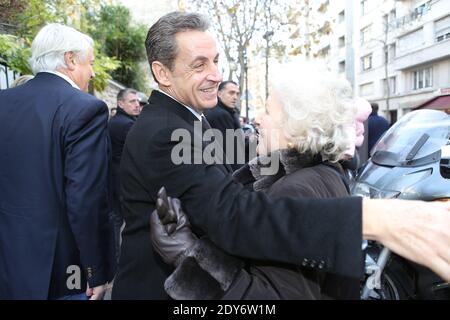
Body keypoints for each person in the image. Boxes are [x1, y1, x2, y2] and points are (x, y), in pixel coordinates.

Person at [111, 11, 450, 300]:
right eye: (199, 65)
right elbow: (236, 216)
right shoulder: (167, 131)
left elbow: (232, 161)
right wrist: (376, 218)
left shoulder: (185, 121)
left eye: (215, 61)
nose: (215, 74)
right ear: (163, 73)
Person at [150, 61, 362, 299]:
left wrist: (186, 252)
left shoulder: (295, 190)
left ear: (295, 129)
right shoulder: (325, 173)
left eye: (269, 111)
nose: (258, 119)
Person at [0, 23, 115, 300]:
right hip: (61, 271)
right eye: (91, 62)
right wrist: (95, 271)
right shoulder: (85, 108)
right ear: (70, 59)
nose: (93, 72)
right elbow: (85, 198)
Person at [108, 88, 141, 264]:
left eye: (137, 101)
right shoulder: (126, 124)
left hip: (115, 180)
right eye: (132, 101)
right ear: (120, 103)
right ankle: (122, 262)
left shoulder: (116, 121)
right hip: (124, 182)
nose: (137, 105)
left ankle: (115, 260)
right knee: (129, 224)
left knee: (116, 221)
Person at [204, 80, 245, 171]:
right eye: (231, 93)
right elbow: (231, 150)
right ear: (219, 93)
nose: (235, 97)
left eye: (237, 94)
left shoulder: (225, 112)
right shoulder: (220, 114)